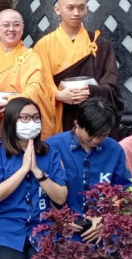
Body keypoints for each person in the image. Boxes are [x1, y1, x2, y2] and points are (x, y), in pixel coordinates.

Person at [0, 98, 67, 259]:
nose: (32, 122)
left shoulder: (50, 153)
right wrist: (23, 170)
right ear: (12, 121)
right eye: (25, 118)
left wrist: (37, 172)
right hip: (6, 230)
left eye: (36, 118)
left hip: (42, 229)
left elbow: (61, 197)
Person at [34, 0, 123, 135]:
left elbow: (111, 84)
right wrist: (57, 95)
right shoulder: (44, 45)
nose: (76, 13)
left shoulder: (99, 43)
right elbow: (38, 84)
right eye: (70, 8)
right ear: (57, 9)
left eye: (81, 8)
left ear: (87, 9)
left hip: (93, 117)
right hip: (61, 116)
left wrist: (92, 91)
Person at [46, 97, 131, 241]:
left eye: (102, 135)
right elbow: (40, 191)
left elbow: (123, 190)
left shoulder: (114, 149)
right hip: (62, 229)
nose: (96, 140)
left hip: (102, 230)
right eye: (91, 135)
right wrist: (60, 219)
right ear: (77, 124)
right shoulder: (52, 147)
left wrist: (105, 219)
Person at [0, 9, 53, 148]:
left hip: (21, 122)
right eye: (6, 25)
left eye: (16, 25)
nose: (11, 29)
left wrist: (12, 104)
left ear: (22, 28)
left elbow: (35, 87)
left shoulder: (31, 57)